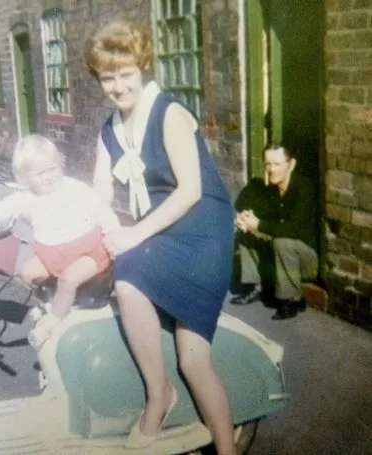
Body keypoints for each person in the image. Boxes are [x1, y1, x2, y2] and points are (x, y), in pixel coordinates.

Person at [84, 18, 236, 454]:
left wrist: (131, 236)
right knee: (132, 285)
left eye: (126, 74)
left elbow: (189, 192)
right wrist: (97, 224)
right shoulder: (109, 130)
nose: (118, 87)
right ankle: (159, 395)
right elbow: (99, 189)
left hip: (202, 228)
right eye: (108, 78)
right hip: (162, 230)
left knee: (189, 352)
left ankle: (226, 448)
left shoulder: (168, 113)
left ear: (142, 68)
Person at [0, 134, 119, 348]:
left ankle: (53, 321)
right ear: (25, 178)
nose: (48, 177)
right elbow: (1, 209)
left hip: (90, 249)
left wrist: (115, 234)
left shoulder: (73, 188)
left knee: (68, 279)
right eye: (40, 173)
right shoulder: (25, 198)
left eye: (52, 169)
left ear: (60, 165)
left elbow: (100, 209)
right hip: (56, 254)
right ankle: (52, 303)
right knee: (27, 272)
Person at [231, 143, 319, 320]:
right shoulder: (272, 190)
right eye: (267, 164)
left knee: (282, 241)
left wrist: (259, 225)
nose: (271, 169)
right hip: (286, 257)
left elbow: (294, 229)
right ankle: (257, 287)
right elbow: (261, 216)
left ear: (291, 164)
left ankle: (293, 299)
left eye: (276, 164)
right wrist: (246, 219)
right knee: (248, 229)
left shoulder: (303, 188)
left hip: (307, 260)